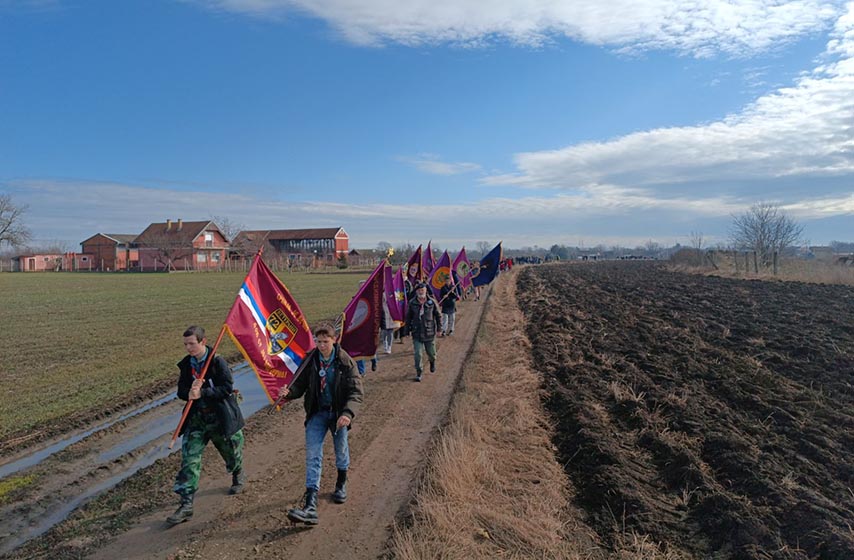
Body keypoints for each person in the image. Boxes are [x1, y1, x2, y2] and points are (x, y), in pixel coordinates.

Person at [281, 323, 364, 525]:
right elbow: (299, 386)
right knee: (313, 455)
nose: (322, 346)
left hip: (338, 415)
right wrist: (288, 393)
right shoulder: (310, 360)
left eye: (325, 342)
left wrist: (347, 413)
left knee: (341, 451)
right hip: (317, 414)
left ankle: (341, 484)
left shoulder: (345, 362)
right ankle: (310, 504)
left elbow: (356, 393)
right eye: (318, 341)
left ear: (334, 340)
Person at [167, 325, 246, 526]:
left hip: (219, 418)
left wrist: (204, 392)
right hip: (196, 420)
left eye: (192, 344)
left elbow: (227, 387)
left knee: (231, 452)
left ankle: (237, 472)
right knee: (189, 459)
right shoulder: (187, 364)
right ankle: (186, 504)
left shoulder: (217, 361)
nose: (188, 348)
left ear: (203, 342)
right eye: (185, 344)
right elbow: (181, 391)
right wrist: (189, 393)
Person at [404, 282, 442, 382]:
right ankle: (419, 372)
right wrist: (406, 331)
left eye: (423, 290)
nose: (421, 292)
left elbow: (438, 316)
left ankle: (432, 362)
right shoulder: (412, 303)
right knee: (418, 354)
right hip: (417, 332)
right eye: (419, 290)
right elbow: (408, 318)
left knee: (432, 354)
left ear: (426, 291)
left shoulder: (432, 302)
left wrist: (439, 329)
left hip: (429, 332)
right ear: (416, 292)